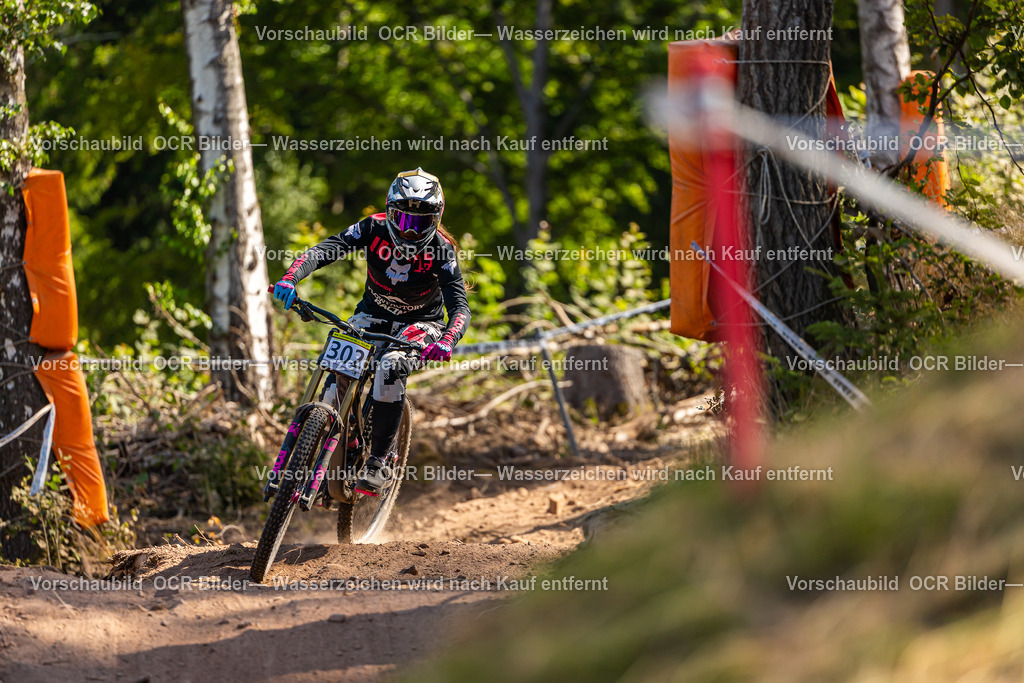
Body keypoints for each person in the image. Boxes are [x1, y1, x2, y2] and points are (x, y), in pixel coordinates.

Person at [271, 168, 470, 495]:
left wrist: (448, 339)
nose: (409, 230)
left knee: (390, 367)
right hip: (371, 316)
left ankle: (378, 461)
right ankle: (338, 440)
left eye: (419, 223)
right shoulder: (372, 227)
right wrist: (291, 277)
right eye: (402, 219)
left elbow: (460, 307)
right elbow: (325, 249)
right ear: (389, 211)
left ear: (435, 220)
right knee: (335, 378)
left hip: (421, 325)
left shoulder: (441, 249)